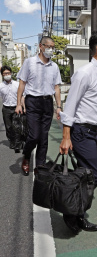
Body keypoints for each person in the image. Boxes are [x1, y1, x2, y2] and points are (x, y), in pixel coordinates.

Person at [59, 30, 97, 235]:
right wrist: (66, 137)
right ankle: (71, 211)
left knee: (85, 176)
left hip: (94, 132)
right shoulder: (84, 74)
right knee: (95, 175)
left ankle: (76, 212)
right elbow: (70, 107)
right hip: (81, 132)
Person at [16, 36, 62, 176]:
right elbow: (22, 83)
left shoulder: (54, 66)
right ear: (41, 46)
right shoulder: (29, 62)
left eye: (53, 47)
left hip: (47, 103)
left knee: (44, 137)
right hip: (32, 102)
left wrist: (58, 107)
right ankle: (27, 156)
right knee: (34, 135)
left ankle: (40, 167)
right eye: (49, 47)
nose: (51, 50)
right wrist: (18, 103)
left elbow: (57, 87)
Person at [0, 66, 19, 150]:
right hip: (6, 108)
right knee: (8, 127)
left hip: (16, 108)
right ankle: (12, 141)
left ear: (11, 73)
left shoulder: (17, 84)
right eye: (4, 74)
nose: (7, 75)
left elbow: (22, 95)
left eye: (8, 73)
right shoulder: (1, 86)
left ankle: (18, 142)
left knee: (17, 126)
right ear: (2, 75)